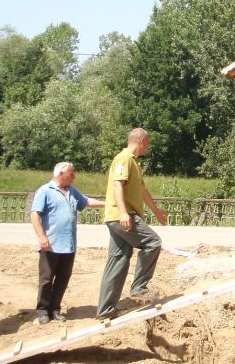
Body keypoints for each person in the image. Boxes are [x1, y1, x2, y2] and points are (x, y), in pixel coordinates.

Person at [96, 128, 167, 319]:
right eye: (148, 144)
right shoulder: (124, 158)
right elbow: (117, 184)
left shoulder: (134, 163)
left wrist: (156, 212)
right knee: (153, 243)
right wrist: (123, 212)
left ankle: (105, 310)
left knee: (118, 261)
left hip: (118, 217)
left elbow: (142, 190)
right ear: (142, 141)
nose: (147, 148)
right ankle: (139, 288)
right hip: (123, 217)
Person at [30, 161, 104, 325]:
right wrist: (42, 236)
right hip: (51, 244)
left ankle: (55, 309)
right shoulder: (45, 191)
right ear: (60, 174)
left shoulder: (71, 191)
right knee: (46, 279)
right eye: (72, 173)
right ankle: (43, 311)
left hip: (68, 245)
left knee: (63, 278)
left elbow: (87, 202)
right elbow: (35, 214)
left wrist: (111, 204)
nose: (74, 176)